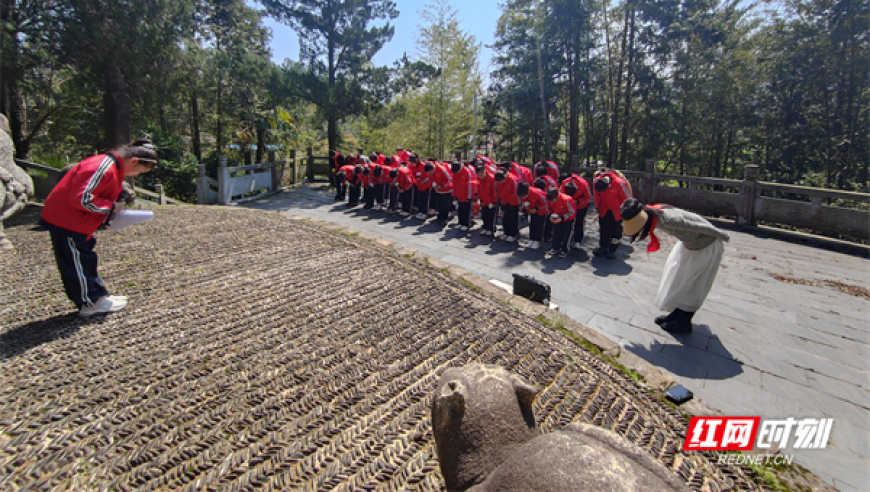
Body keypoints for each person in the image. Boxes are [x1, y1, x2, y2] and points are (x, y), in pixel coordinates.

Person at [40, 139, 158, 318]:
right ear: (133, 161)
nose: (136, 175)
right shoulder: (102, 166)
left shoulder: (112, 167)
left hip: (78, 221)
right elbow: (82, 199)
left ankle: (98, 296)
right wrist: (111, 206)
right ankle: (90, 302)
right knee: (76, 262)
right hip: (67, 221)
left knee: (84, 258)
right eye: (140, 171)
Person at [620, 198, 730, 333]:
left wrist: (723, 235)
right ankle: (676, 315)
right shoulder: (655, 212)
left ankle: (684, 321)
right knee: (679, 280)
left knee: (692, 284)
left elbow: (698, 227)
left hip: (706, 247)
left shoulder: (668, 220)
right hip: (690, 245)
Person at [592, 169, 631, 259]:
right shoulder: (597, 181)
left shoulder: (620, 183)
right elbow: (596, 195)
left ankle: (612, 250)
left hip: (616, 211)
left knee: (616, 231)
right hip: (603, 210)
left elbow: (627, 198)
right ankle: (603, 247)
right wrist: (597, 206)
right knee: (603, 230)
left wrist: (626, 211)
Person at [560, 173, 591, 249]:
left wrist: (578, 201)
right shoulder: (564, 182)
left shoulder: (584, 184)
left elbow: (588, 197)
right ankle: (564, 239)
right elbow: (561, 194)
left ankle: (577, 241)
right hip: (568, 204)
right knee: (565, 221)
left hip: (581, 206)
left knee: (579, 222)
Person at [546, 187, 576, 257]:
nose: (552, 201)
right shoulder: (549, 200)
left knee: (566, 235)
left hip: (567, 219)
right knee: (556, 233)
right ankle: (555, 247)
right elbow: (549, 208)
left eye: (554, 200)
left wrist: (562, 218)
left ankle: (565, 249)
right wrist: (550, 215)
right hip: (556, 217)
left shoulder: (566, 199)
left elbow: (572, 212)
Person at [517, 182, 547, 250]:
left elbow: (545, 203)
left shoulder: (537, 193)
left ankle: (537, 241)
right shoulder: (523, 194)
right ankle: (531, 239)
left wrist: (536, 209)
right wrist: (524, 207)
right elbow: (525, 201)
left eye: (523, 196)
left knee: (539, 226)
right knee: (532, 225)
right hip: (531, 210)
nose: (522, 197)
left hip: (541, 211)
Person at [495, 169, 520, 242]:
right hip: (505, 201)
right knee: (505, 218)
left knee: (513, 218)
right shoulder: (499, 182)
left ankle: (513, 234)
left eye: (501, 181)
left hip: (514, 202)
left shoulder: (513, 179)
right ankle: (506, 232)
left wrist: (520, 204)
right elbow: (499, 190)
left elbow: (517, 193)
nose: (500, 183)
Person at [452, 161, 476, 231]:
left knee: (467, 210)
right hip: (459, 195)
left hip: (466, 195)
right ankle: (460, 222)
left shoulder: (467, 172)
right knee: (460, 210)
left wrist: (469, 196)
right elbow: (454, 184)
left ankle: (466, 224)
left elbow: (470, 186)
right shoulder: (455, 173)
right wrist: (454, 195)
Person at [427, 161, 453, 225]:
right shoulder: (430, 173)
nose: (430, 173)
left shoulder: (442, 170)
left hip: (446, 190)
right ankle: (439, 217)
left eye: (430, 172)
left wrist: (441, 186)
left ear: (433, 169)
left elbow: (449, 179)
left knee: (445, 205)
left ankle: (444, 219)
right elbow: (430, 179)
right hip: (437, 190)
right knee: (439, 204)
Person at [476, 162, 498, 236]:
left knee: (491, 216)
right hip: (484, 201)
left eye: (481, 174)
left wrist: (494, 202)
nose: (480, 176)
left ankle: (491, 229)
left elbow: (495, 191)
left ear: (484, 171)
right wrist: (480, 199)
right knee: (484, 215)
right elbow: (478, 190)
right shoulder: (479, 179)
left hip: (491, 202)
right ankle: (485, 227)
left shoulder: (492, 178)